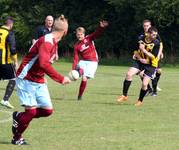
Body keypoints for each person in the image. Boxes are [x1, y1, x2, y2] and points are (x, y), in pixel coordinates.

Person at [11, 15, 71, 145]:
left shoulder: (53, 42)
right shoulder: (47, 41)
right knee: (31, 112)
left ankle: (19, 117)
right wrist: (61, 79)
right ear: (65, 32)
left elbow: (44, 63)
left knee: (47, 111)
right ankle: (17, 138)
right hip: (26, 78)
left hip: (38, 79)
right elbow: (44, 64)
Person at [117, 27, 160, 106]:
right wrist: (140, 59)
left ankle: (140, 101)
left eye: (156, 35)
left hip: (151, 64)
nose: (155, 36)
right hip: (140, 61)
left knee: (144, 84)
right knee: (129, 74)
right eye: (153, 35)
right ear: (149, 33)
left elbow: (153, 56)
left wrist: (144, 50)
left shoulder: (156, 42)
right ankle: (124, 95)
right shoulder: (141, 38)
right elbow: (135, 51)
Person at [72, 20, 108, 100]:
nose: (79, 36)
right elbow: (75, 58)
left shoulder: (88, 38)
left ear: (84, 34)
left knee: (84, 78)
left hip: (92, 62)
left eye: (81, 34)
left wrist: (101, 28)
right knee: (77, 69)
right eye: (78, 35)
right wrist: (73, 69)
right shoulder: (76, 46)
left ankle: (79, 96)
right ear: (76, 35)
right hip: (83, 62)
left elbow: (96, 34)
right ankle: (78, 72)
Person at [139, 20, 163, 96]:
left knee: (158, 71)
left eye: (147, 25)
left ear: (150, 26)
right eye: (144, 26)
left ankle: (155, 88)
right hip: (145, 58)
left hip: (154, 56)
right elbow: (139, 47)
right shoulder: (141, 36)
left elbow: (160, 45)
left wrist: (159, 54)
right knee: (141, 74)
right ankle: (148, 89)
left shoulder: (155, 34)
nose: (146, 27)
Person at [0, 16, 18, 109]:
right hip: (4, 61)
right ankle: (5, 100)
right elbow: (13, 48)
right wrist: (15, 61)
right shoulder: (9, 33)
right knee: (13, 78)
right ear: (11, 24)